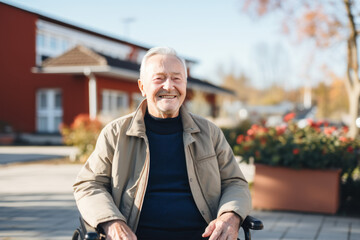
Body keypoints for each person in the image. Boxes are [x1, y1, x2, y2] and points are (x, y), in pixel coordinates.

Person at [73, 47, 252, 240]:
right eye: (159, 78)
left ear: (185, 84)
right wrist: (111, 221)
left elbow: (235, 183)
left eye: (177, 78)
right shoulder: (115, 133)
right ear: (142, 87)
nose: (169, 86)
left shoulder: (210, 132)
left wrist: (230, 215)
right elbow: (88, 184)